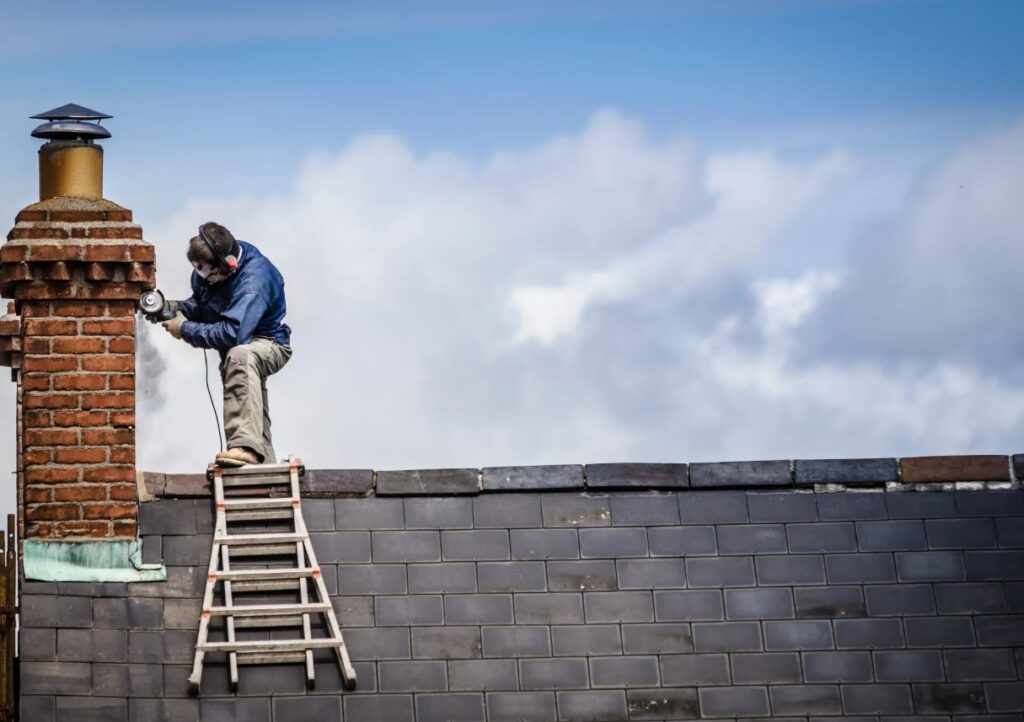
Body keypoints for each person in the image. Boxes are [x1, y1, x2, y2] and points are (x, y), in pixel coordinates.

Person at [159, 222, 292, 467]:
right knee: (250, 409)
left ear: (228, 264)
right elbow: (202, 304)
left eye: (205, 271)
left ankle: (243, 448)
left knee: (241, 356)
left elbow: (234, 334)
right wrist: (174, 309)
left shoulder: (255, 281)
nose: (201, 276)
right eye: (197, 270)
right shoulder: (210, 272)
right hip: (239, 350)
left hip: (268, 343)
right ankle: (265, 466)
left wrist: (184, 328)